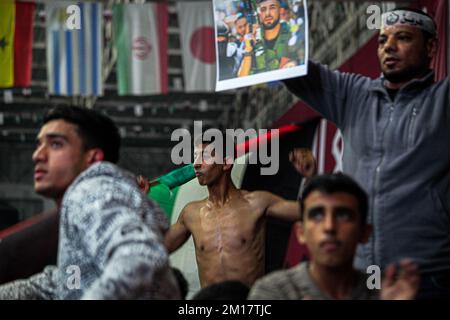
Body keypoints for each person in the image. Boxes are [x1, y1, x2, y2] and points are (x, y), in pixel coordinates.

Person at [282, 8, 450, 298]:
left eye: (404, 38)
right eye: (383, 40)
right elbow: (290, 68)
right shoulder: (354, 94)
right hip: (359, 276)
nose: (390, 47)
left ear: (431, 47)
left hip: (428, 275)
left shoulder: (443, 100)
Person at [0, 106, 180, 299]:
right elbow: (73, 281)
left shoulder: (91, 191)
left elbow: (140, 256)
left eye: (56, 144)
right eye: (39, 144)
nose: (38, 155)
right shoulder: (87, 199)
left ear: (92, 158)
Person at [163, 135, 315, 288]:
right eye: (195, 157)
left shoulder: (256, 203)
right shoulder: (191, 213)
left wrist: (311, 177)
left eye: (205, 156)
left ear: (226, 162)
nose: (196, 164)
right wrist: (141, 200)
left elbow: (309, 212)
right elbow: (158, 248)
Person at [248, 173, 420, 300]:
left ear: (364, 233)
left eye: (343, 215)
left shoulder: (381, 293)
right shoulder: (273, 292)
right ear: (301, 232)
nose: (329, 227)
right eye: (317, 215)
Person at [238, 0, 302, 76]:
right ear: (259, 14)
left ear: (280, 11)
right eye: (263, 9)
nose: (267, 14)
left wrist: (294, 63)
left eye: (272, 8)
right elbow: (241, 76)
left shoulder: (293, 33)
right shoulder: (252, 38)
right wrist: (248, 50)